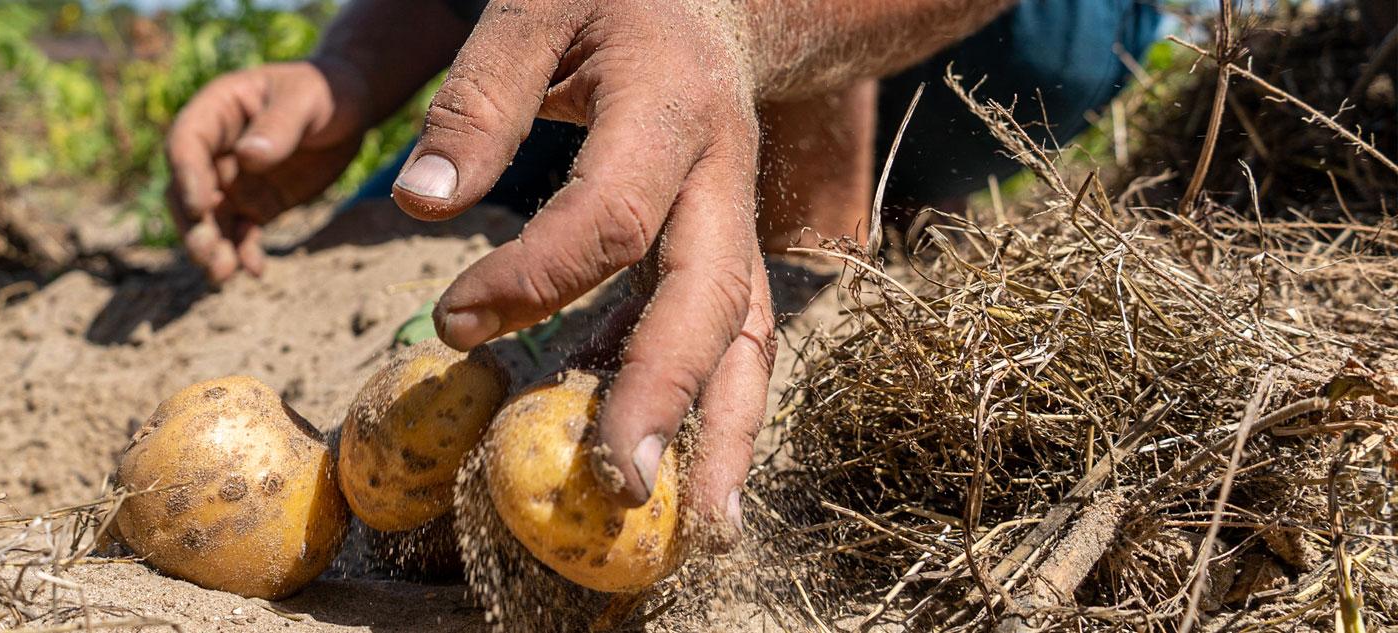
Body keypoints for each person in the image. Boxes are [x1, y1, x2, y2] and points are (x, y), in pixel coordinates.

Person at [165, 0, 1159, 539]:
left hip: (1013, 39)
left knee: (757, 255)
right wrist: (353, 73)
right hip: (631, 30)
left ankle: (830, 235)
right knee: (387, 224)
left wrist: (729, 26)